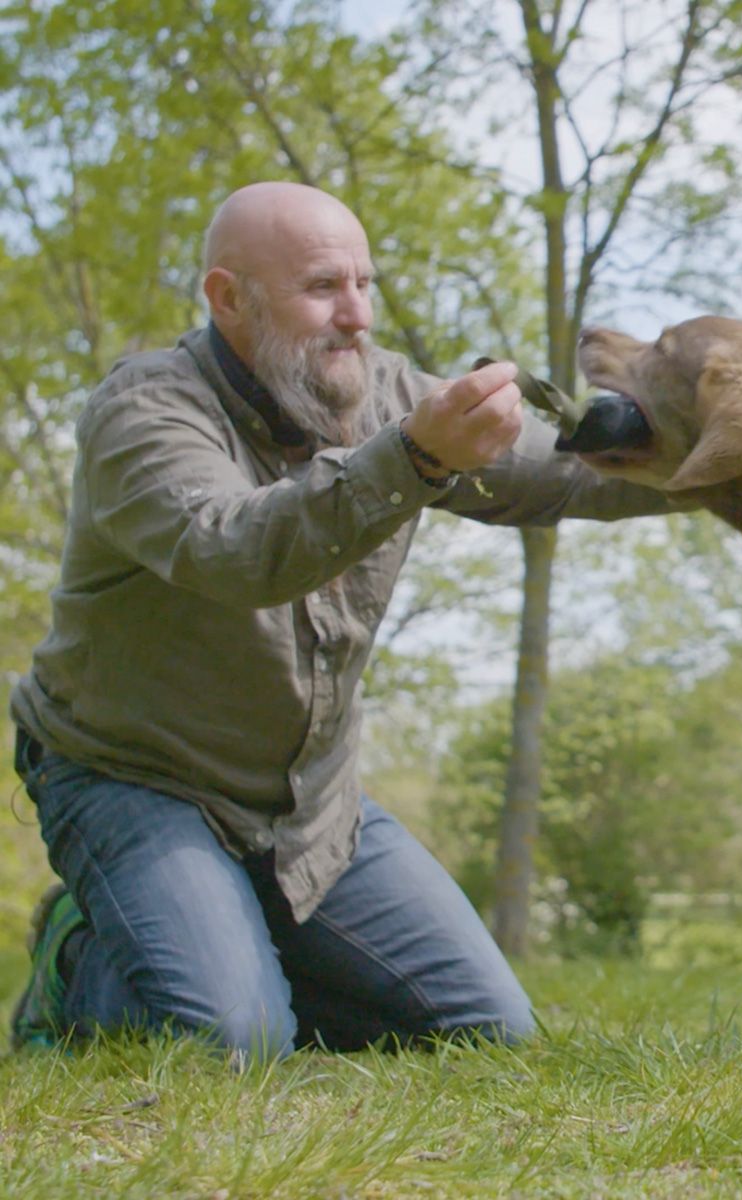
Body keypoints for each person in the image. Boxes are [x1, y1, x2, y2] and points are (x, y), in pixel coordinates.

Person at [8, 181, 675, 1060]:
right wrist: (418, 457)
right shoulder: (144, 412)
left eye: (365, 283)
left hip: (310, 804)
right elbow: (238, 552)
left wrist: (731, 466)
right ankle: (81, 960)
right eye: (324, 287)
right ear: (227, 298)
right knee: (234, 1045)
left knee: (488, 1034)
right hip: (137, 780)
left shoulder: (388, 391)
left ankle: (229, 948)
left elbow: (566, 472)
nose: (357, 314)